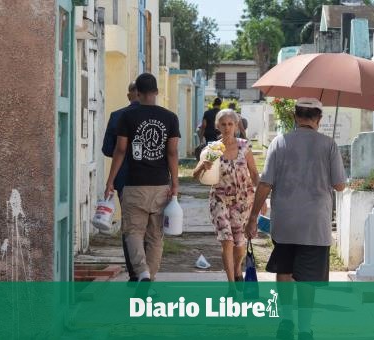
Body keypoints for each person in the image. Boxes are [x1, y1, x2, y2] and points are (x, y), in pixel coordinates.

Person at [245, 98, 346, 340]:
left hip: (286, 222)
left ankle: (286, 322)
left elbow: (265, 183)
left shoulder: (280, 142)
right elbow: (340, 185)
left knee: (285, 272)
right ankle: (304, 329)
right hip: (315, 224)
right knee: (308, 280)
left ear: (294, 117)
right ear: (318, 119)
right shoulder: (329, 144)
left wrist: (252, 217)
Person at [105, 73, 180, 284]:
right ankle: (150, 277)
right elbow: (172, 153)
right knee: (156, 235)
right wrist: (175, 182)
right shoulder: (170, 117)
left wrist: (110, 181)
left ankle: (142, 272)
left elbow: (120, 150)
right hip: (160, 185)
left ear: (136, 93)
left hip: (134, 185)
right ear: (156, 92)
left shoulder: (126, 117)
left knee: (133, 232)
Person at [192, 109, 260, 296]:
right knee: (227, 241)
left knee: (239, 244)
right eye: (223, 124)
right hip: (219, 199)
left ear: (237, 126)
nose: (227, 128)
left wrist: (261, 201)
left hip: (243, 200)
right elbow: (195, 174)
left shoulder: (244, 147)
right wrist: (202, 166)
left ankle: (237, 268)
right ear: (217, 126)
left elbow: (254, 174)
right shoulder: (212, 149)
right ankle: (231, 286)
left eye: (231, 124)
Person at [102, 81, 140, 283]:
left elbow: (108, 149)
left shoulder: (117, 116)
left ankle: (134, 272)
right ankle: (146, 271)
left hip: (125, 179)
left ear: (129, 95)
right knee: (149, 228)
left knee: (129, 227)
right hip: (152, 180)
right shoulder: (159, 116)